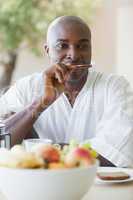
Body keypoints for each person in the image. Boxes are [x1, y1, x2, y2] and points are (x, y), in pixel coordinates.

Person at [0, 16, 133, 167]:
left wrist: (42, 152)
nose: (74, 55)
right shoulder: (26, 88)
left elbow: (116, 153)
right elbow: (3, 142)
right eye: (62, 45)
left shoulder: (115, 87)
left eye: (82, 46)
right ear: (48, 50)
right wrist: (38, 104)